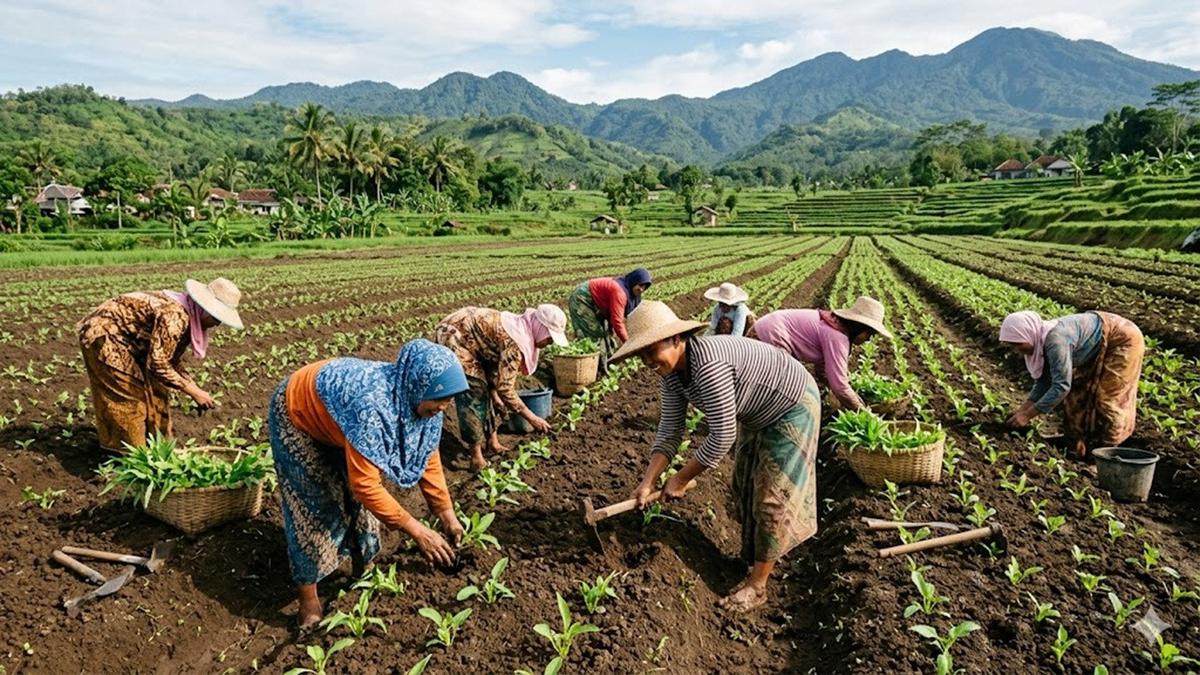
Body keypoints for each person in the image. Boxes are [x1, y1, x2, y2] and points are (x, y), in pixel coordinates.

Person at [613, 301, 821, 613]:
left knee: (772, 496)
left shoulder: (708, 366)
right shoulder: (671, 375)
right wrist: (648, 482)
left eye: (651, 350)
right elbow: (670, 430)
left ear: (675, 339)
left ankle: (758, 586)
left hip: (792, 404)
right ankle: (750, 558)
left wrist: (681, 478)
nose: (647, 361)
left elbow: (723, 435)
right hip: (756, 412)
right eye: (641, 355)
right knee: (746, 484)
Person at [268, 339, 469, 628]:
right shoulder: (373, 406)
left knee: (359, 504)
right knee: (314, 507)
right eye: (439, 399)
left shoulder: (424, 402)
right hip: (297, 414)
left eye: (448, 400)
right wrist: (417, 530)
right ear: (418, 385)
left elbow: (428, 457)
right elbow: (366, 485)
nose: (443, 407)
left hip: (339, 420)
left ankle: (364, 567)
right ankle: (308, 600)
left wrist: (446, 515)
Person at [77, 277, 243, 452]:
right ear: (206, 310)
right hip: (105, 337)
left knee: (157, 391)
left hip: (133, 342)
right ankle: (128, 457)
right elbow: (158, 365)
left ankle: (160, 450)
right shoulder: (175, 316)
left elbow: (170, 361)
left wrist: (194, 387)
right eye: (217, 317)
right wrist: (194, 392)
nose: (218, 324)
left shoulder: (187, 312)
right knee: (128, 397)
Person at [434, 304, 568, 470]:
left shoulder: (523, 327)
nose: (549, 343)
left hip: (477, 342)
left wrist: (495, 396)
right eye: (549, 338)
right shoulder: (516, 341)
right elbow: (506, 388)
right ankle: (476, 457)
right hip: (454, 335)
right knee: (474, 392)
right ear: (541, 328)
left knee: (488, 391)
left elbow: (496, 375)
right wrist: (532, 418)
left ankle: (493, 442)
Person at [999, 310, 1145, 458]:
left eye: (1018, 344)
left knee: (1107, 398)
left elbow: (1061, 386)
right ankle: (1077, 444)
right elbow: (1044, 381)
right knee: (1079, 391)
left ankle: (1106, 452)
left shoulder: (1055, 341)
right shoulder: (1040, 340)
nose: (1017, 350)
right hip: (1100, 341)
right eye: (1013, 345)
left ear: (1028, 333)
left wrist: (1027, 416)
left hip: (1123, 338)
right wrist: (1022, 411)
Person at [751, 296, 893, 412]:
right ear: (860, 327)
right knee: (782, 390)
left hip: (764, 328)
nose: (868, 339)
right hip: (770, 335)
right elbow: (840, 387)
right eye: (869, 334)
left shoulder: (834, 326)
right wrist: (863, 412)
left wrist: (852, 396)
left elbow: (822, 371)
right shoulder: (837, 337)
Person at [567, 268, 652, 364]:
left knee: (607, 333)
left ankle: (607, 363)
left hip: (598, 304)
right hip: (582, 298)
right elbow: (617, 322)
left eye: (645, 287)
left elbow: (635, 315)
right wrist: (629, 344)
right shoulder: (620, 293)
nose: (641, 289)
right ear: (634, 281)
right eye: (640, 285)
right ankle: (588, 367)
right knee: (593, 335)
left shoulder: (632, 294)